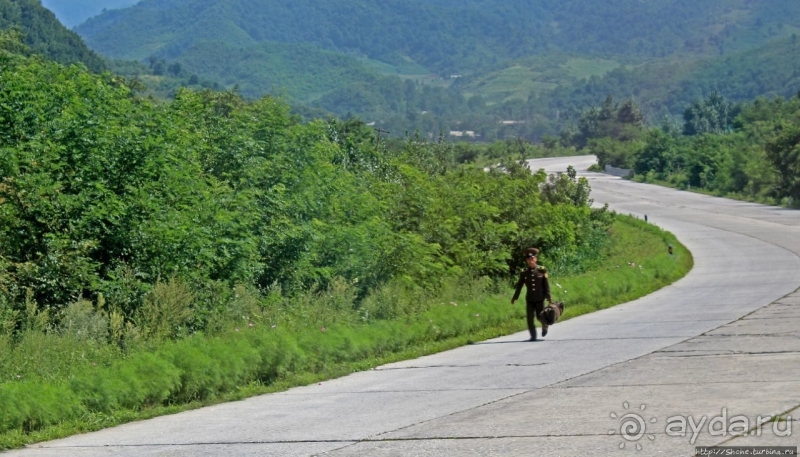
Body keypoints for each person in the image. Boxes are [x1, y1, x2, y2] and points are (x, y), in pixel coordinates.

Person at [511, 247, 552, 341]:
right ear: (526, 261)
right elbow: (519, 286)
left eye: (532, 259)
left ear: (536, 259)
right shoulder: (524, 273)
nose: (530, 261)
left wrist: (549, 297)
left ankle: (545, 326)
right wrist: (515, 297)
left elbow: (546, 285)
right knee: (530, 319)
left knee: (540, 316)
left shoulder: (541, 270)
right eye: (528, 259)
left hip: (540, 298)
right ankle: (533, 336)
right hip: (530, 299)